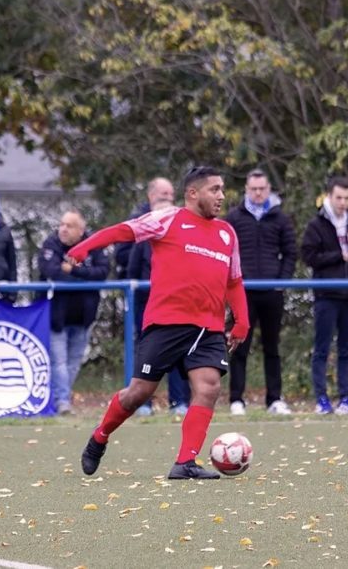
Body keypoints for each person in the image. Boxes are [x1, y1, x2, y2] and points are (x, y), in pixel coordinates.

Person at [68, 166, 250, 480]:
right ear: (193, 193)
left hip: (208, 328)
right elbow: (123, 231)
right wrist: (86, 247)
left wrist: (242, 321)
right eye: (214, 189)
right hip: (167, 323)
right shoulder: (168, 219)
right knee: (138, 393)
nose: (221, 196)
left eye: (222, 189)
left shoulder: (227, 233)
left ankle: (185, 463)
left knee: (209, 388)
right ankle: (100, 436)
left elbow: (234, 281)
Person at [300, 176, 348, 415]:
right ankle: (322, 399)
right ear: (329, 197)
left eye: (347, 198)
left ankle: (346, 398)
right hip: (326, 294)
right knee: (322, 348)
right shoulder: (316, 224)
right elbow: (309, 256)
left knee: (346, 349)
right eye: (339, 198)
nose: (343, 202)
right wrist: (336, 255)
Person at [224, 168, 298, 416]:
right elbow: (224, 252)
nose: (258, 193)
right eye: (253, 189)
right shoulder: (234, 217)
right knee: (239, 346)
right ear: (247, 189)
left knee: (272, 347)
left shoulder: (280, 218)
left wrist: (282, 281)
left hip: (271, 292)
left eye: (262, 189)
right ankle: (236, 399)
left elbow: (290, 252)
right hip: (242, 292)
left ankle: (274, 399)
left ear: (269, 190)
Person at [38, 210, 109, 414]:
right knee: (58, 361)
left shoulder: (93, 245)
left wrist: (75, 270)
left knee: (74, 361)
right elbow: (50, 271)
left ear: (81, 230)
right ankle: (62, 402)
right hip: (57, 316)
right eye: (61, 224)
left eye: (69, 226)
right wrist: (84, 278)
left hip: (84, 315)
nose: (63, 229)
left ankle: (61, 398)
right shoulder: (51, 243)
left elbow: (103, 272)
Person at [128, 185, 191, 416]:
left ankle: (179, 402)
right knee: (147, 354)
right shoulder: (145, 241)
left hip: (179, 306)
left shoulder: (185, 240)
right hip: (149, 307)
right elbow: (133, 270)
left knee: (178, 353)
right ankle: (143, 403)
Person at [114, 177, 175, 281]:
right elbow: (120, 255)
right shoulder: (136, 222)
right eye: (165, 194)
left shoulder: (178, 220)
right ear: (151, 196)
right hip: (143, 284)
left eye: (172, 194)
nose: (169, 198)